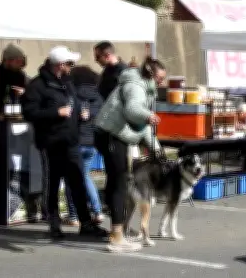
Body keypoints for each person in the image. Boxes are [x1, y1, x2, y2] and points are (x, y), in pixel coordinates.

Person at [22, 46, 108, 240]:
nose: (72, 67)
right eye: (70, 63)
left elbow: (75, 103)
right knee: (53, 184)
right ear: (60, 65)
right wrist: (56, 113)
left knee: (77, 181)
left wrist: (81, 114)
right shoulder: (37, 86)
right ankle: (54, 224)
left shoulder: (67, 83)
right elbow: (29, 112)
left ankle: (85, 223)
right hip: (51, 143)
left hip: (72, 141)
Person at [94, 56, 166, 252]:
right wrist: (148, 115)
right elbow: (134, 111)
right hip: (112, 135)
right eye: (160, 78)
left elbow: (141, 127)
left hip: (112, 135)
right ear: (150, 74)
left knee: (118, 183)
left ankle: (118, 229)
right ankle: (117, 235)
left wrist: (157, 149)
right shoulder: (136, 87)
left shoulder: (141, 86)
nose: (162, 82)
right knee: (119, 183)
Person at [63, 66, 105, 226]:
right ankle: (97, 211)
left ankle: (74, 215)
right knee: (86, 176)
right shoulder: (99, 98)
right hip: (92, 143)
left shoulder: (73, 96)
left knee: (72, 179)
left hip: (76, 142)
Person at [0, 43, 27, 114]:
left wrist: (24, 92)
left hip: (14, 112)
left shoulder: (20, 75)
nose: (20, 64)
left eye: (22, 61)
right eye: (18, 61)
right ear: (7, 60)